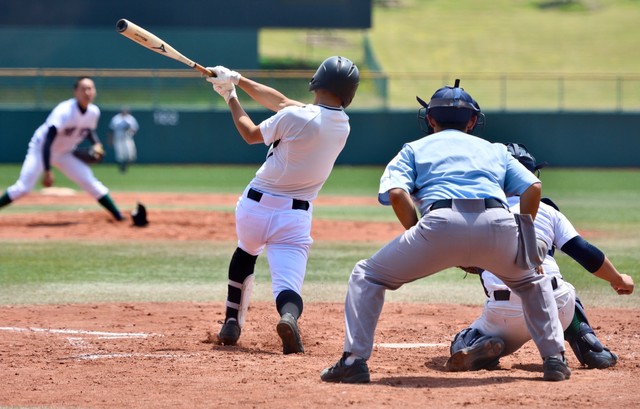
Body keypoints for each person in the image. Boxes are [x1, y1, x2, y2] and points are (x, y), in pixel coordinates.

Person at [320, 79, 570, 383]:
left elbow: (398, 195)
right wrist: (526, 244)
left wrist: (421, 238)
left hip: (439, 222)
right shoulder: (495, 150)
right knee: (532, 281)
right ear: (473, 121)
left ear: (430, 119)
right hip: (497, 223)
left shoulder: (414, 148)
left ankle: (353, 361)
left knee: (367, 276)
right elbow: (533, 187)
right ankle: (554, 360)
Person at [204, 56, 360, 354]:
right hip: (295, 216)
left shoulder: (295, 117)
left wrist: (231, 97)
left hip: (254, 207)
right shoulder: (343, 125)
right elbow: (283, 102)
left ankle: (231, 321)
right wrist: (237, 78)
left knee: (245, 253)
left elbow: (251, 134)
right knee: (287, 285)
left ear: (318, 80)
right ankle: (288, 317)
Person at [445, 143, 634, 372]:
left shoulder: (478, 212)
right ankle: (590, 346)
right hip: (554, 306)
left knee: (461, 341)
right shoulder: (548, 210)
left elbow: (454, 252)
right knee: (564, 292)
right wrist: (617, 278)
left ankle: (478, 344)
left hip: (505, 317)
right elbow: (585, 252)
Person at [0, 76, 124, 221]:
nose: (88, 92)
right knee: (23, 188)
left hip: (64, 153)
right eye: (83, 89)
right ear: (75, 92)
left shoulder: (93, 112)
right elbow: (48, 141)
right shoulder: (64, 111)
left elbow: (89, 130)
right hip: (41, 150)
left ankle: (119, 216)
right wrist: (47, 171)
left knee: (89, 181)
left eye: (91, 88)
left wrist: (96, 144)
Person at [108, 106, 139, 173]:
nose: (124, 111)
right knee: (120, 155)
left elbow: (135, 128)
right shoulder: (116, 119)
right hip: (118, 139)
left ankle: (125, 166)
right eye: (123, 110)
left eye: (126, 110)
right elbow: (111, 130)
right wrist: (110, 140)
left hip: (127, 138)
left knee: (130, 154)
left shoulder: (130, 118)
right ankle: (121, 168)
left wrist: (129, 130)